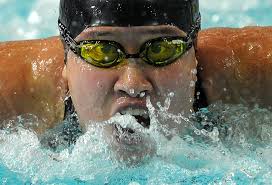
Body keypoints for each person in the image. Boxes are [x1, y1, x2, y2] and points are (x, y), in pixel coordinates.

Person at [0, 0, 271, 162]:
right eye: (102, 50)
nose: (132, 83)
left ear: (195, 54)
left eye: (162, 49)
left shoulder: (253, 75)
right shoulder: (12, 92)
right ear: (66, 63)